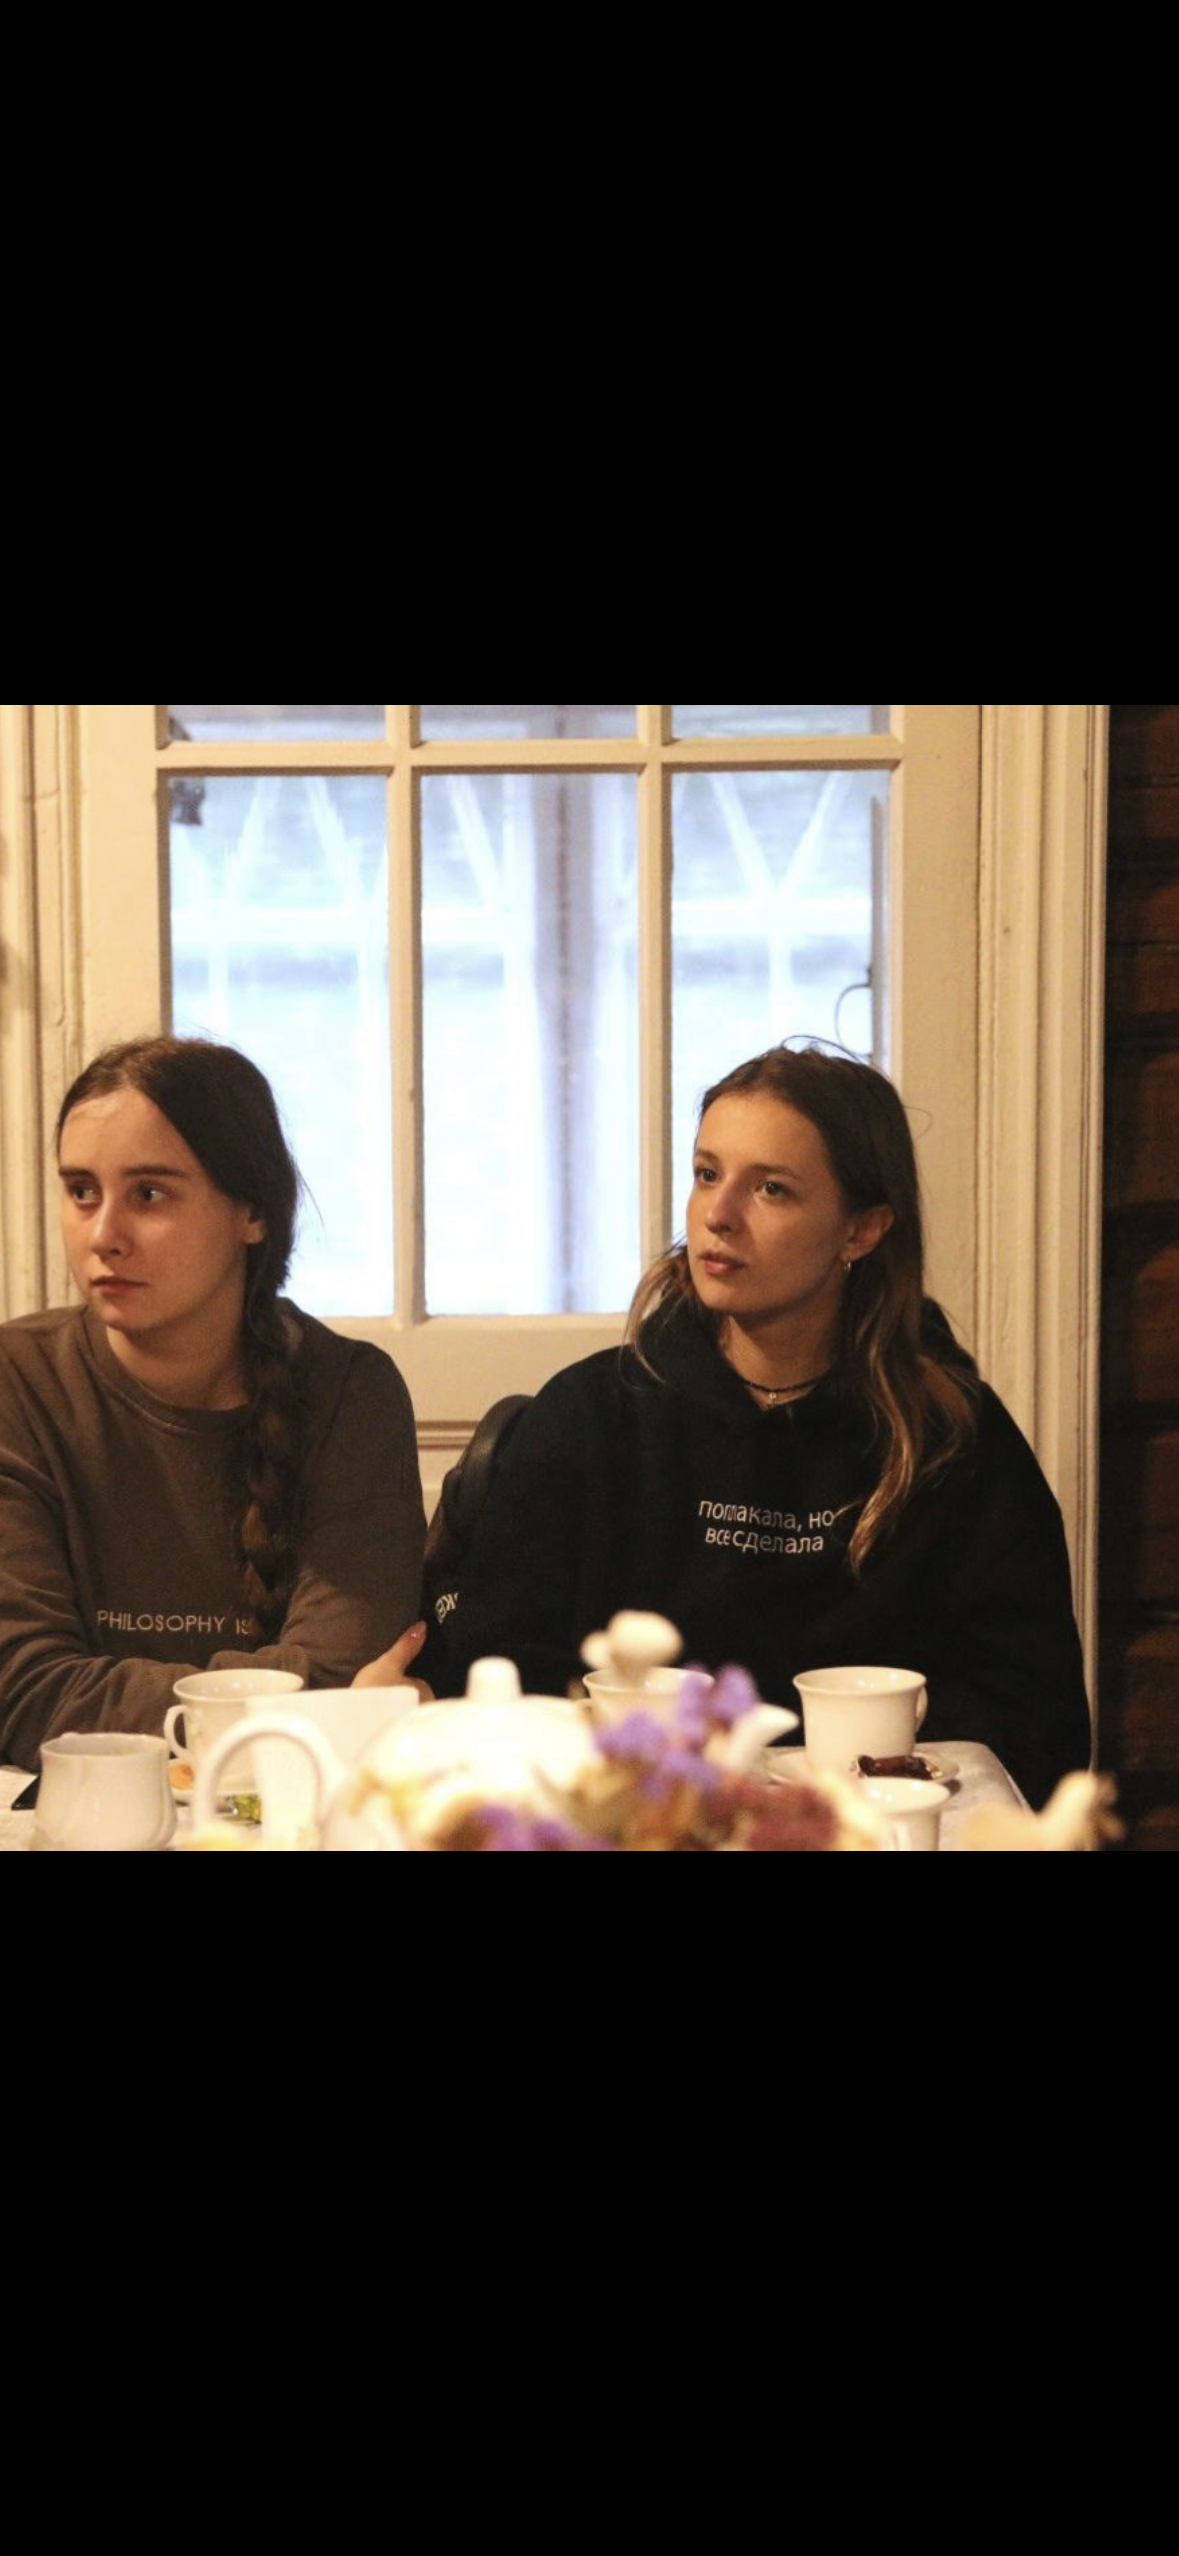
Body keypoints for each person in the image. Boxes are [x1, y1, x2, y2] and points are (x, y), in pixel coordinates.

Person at [430, 1045, 1091, 1808]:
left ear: (861, 1230)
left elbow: (1033, 1721)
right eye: (707, 1173)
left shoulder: (952, 1438)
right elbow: (495, 1686)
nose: (717, 1215)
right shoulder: (588, 1416)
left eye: (771, 1189)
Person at [0, 1037, 427, 1770]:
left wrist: (325, 1703)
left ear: (251, 1211)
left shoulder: (350, 1392)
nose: (104, 1236)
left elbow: (349, 1668)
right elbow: (23, 1691)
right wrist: (301, 1708)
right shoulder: (19, 1378)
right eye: (82, 1191)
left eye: (149, 1194)